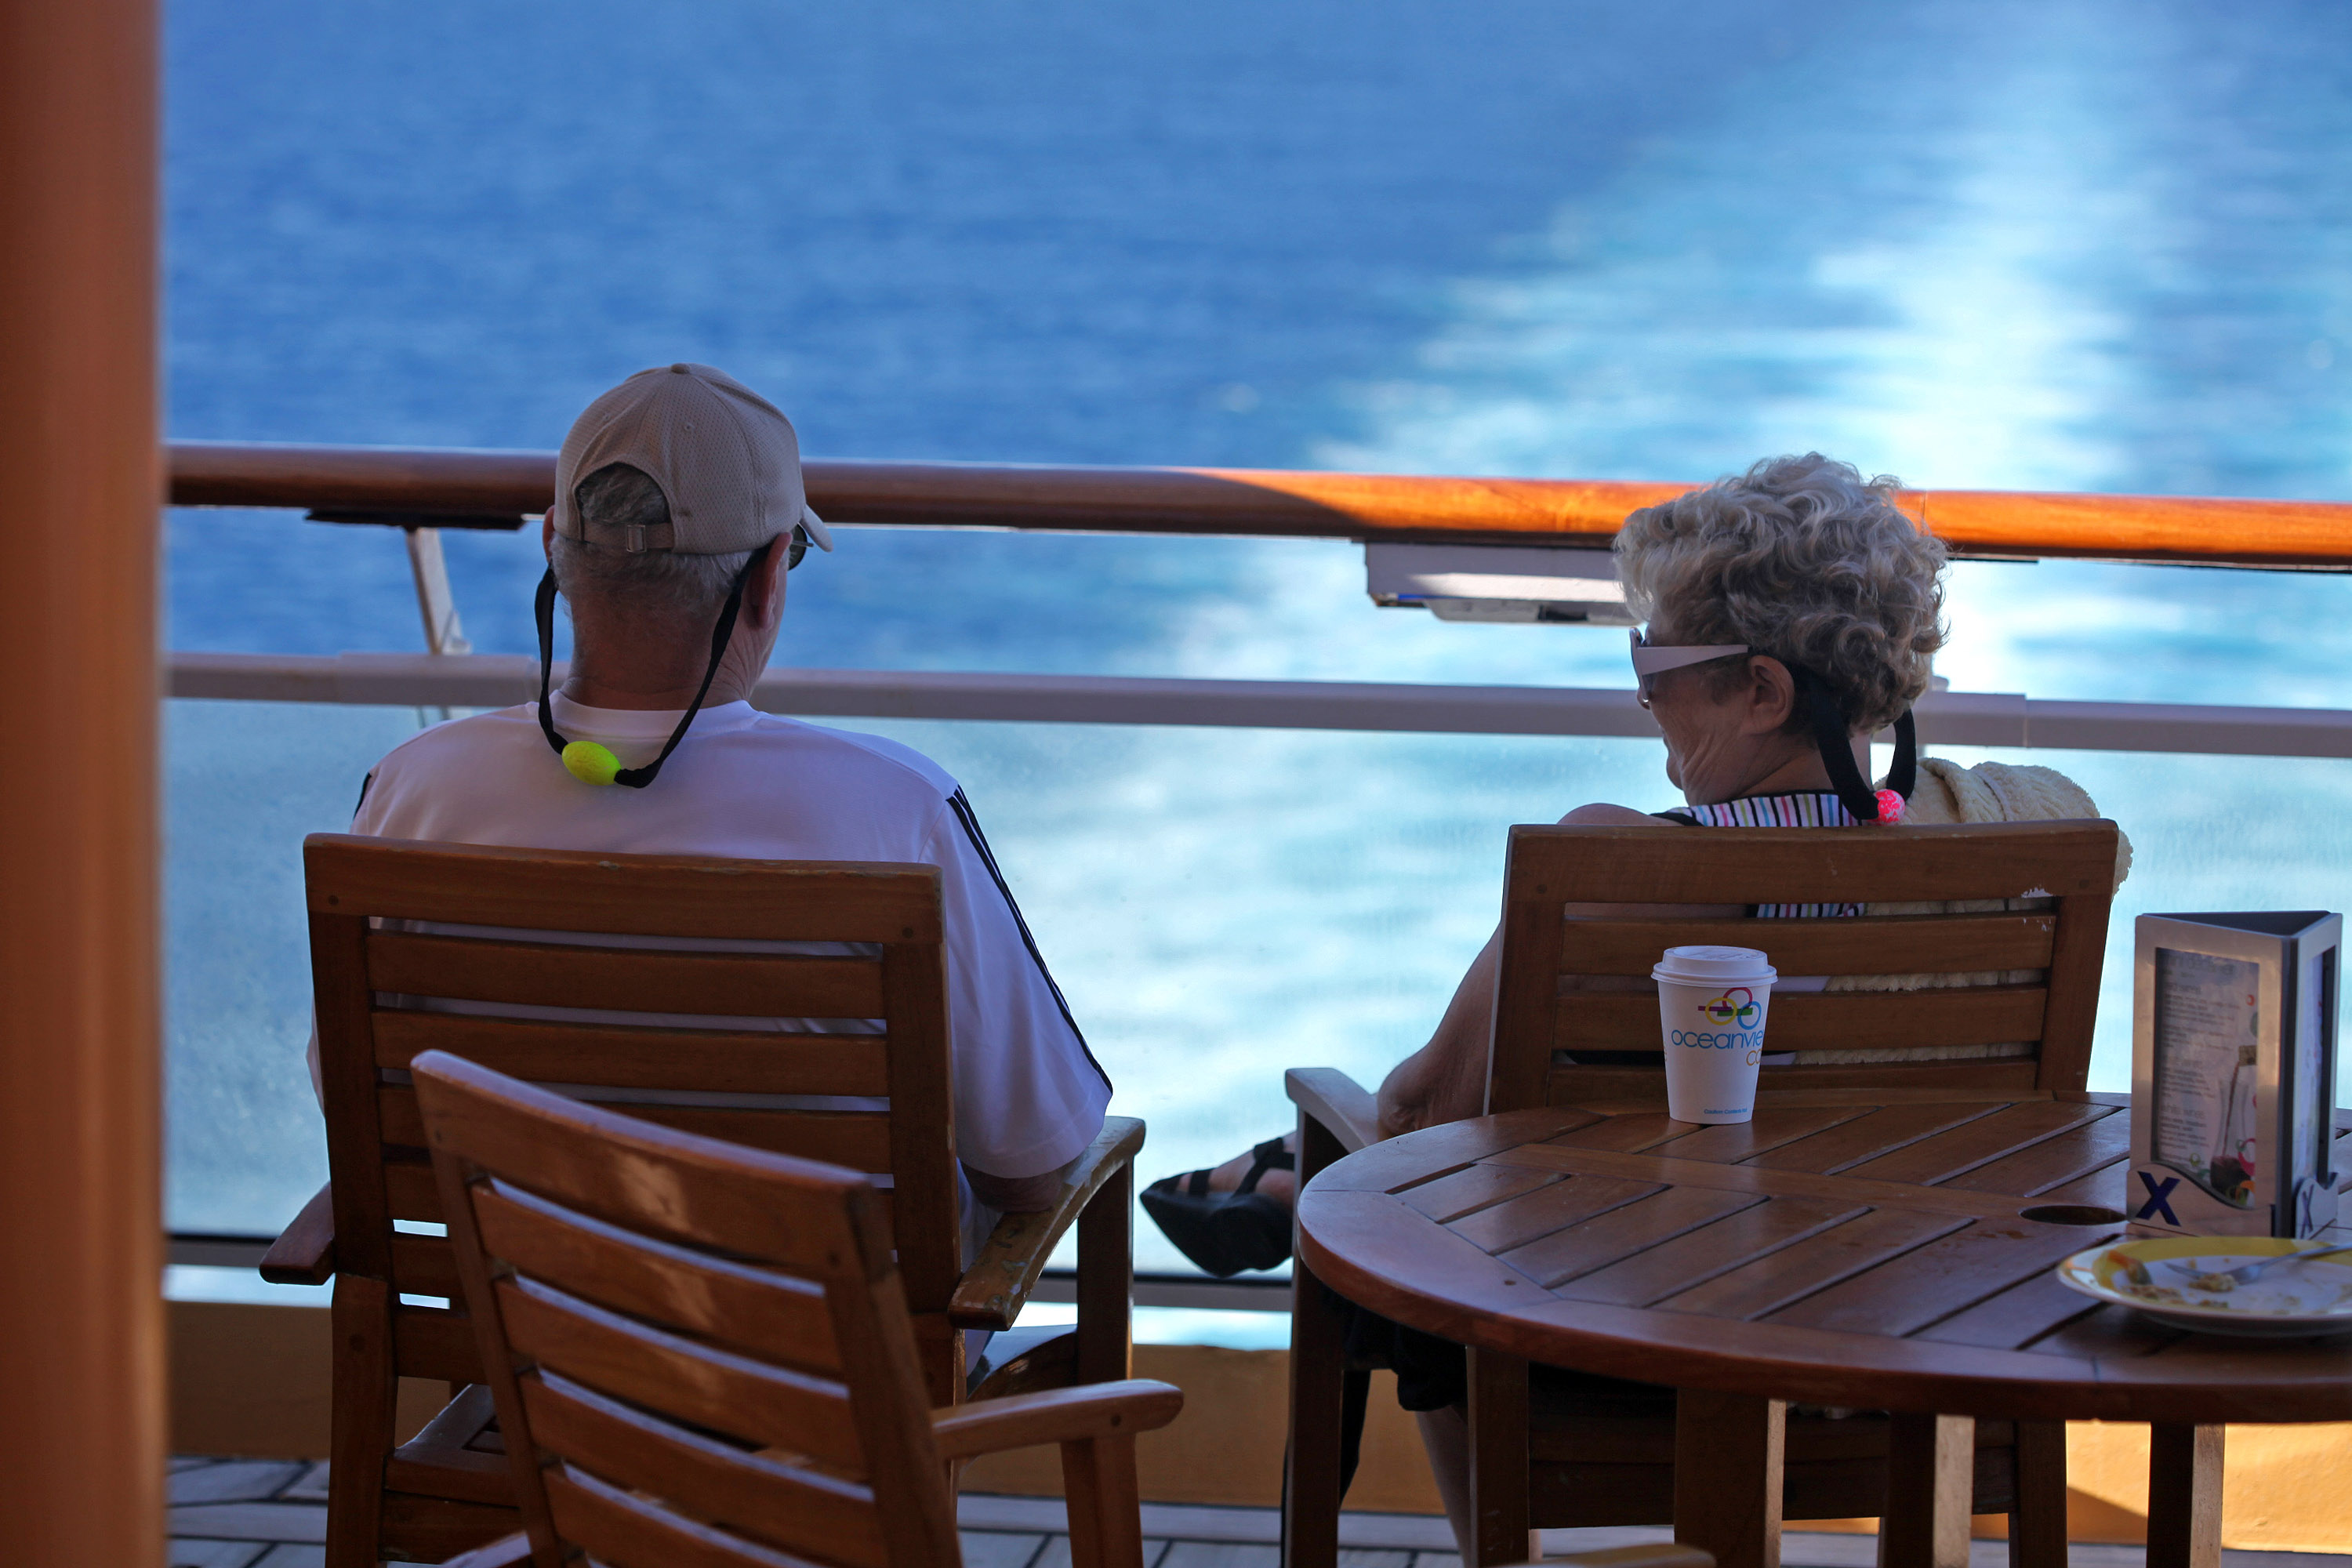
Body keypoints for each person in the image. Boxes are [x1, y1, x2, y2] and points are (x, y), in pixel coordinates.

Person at [1140, 452, 2130, 1543]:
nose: (1641, 691)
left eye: (1654, 660)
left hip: (1627, 1339)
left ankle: (1291, 1180)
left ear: (1764, 692)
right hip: (1937, 1323)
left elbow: (1423, 1113)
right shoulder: (2023, 837)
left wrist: (1344, 1133)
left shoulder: (1617, 871)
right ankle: (1281, 1173)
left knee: (1381, 1181)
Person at [323, 363, 1111, 1267]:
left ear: (554, 551)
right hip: (828, 1353)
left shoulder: (412, 790)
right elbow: (1032, 1167)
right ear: (771, 576)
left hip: (523, 1335)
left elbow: (354, 1097)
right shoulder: (899, 813)